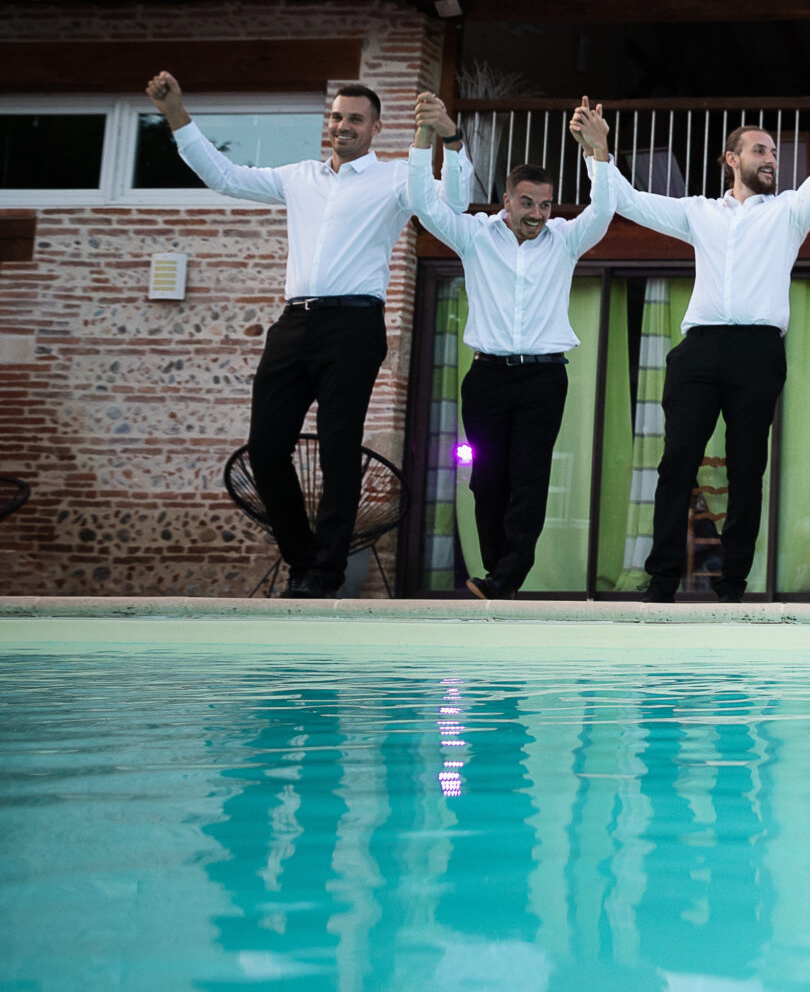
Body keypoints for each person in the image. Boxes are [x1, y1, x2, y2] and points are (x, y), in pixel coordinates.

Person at [145, 70, 455, 597]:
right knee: (265, 450)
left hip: (354, 324)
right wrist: (176, 112)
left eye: (355, 119)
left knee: (338, 450)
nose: (343, 126)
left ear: (376, 128)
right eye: (336, 117)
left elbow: (451, 199)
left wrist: (447, 136)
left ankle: (325, 573)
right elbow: (224, 176)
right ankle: (302, 557)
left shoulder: (399, 178)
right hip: (294, 324)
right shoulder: (299, 177)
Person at [595, 48, 810, 602]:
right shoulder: (699, 213)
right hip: (699, 350)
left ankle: (733, 583)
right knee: (675, 466)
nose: (771, 159)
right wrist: (600, 155)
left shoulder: (789, 212)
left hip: (758, 352)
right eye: (759, 150)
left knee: (746, 470)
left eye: (773, 152)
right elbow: (630, 201)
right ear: (730, 160)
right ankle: (661, 579)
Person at [408, 92, 618, 599]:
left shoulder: (566, 239)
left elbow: (606, 208)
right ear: (506, 200)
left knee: (529, 479)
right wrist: (425, 136)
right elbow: (420, 203)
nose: (537, 214)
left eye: (545, 204)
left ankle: (506, 577)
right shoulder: (474, 236)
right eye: (527, 203)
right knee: (486, 481)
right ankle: (496, 573)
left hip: (544, 378)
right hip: (487, 377)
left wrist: (599, 151)